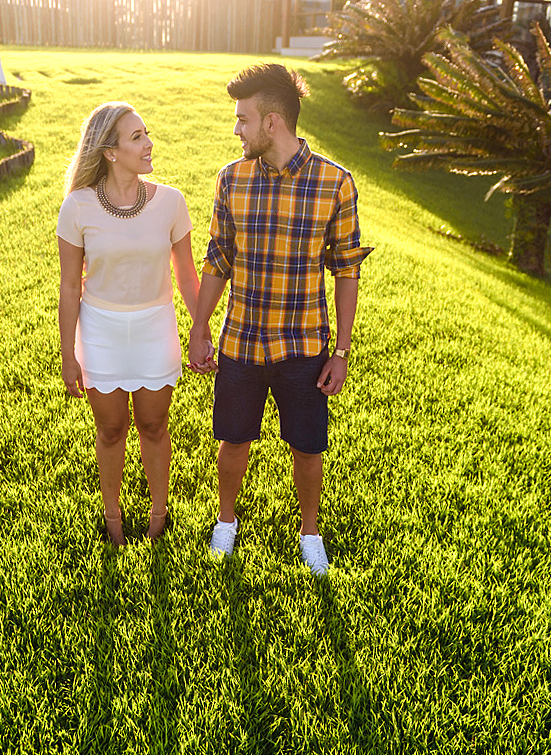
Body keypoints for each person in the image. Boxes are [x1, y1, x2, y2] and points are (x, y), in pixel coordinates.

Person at [189, 64, 372, 576]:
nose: (236, 130)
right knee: (233, 439)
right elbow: (218, 258)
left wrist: (341, 351)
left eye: (243, 119)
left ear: (272, 122)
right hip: (241, 341)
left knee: (308, 445)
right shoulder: (232, 178)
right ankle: (226, 523)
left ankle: (309, 532)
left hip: (305, 345)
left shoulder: (335, 182)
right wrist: (201, 327)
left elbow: (346, 269)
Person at [58, 102, 199, 545]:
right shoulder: (77, 207)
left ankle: (159, 516)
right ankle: (113, 519)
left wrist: (201, 329)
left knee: (155, 426)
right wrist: (68, 355)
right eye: (136, 137)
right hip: (100, 331)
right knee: (111, 429)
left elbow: (187, 275)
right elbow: (68, 289)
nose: (148, 143)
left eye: (146, 133)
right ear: (110, 152)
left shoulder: (171, 202)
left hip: (155, 327)